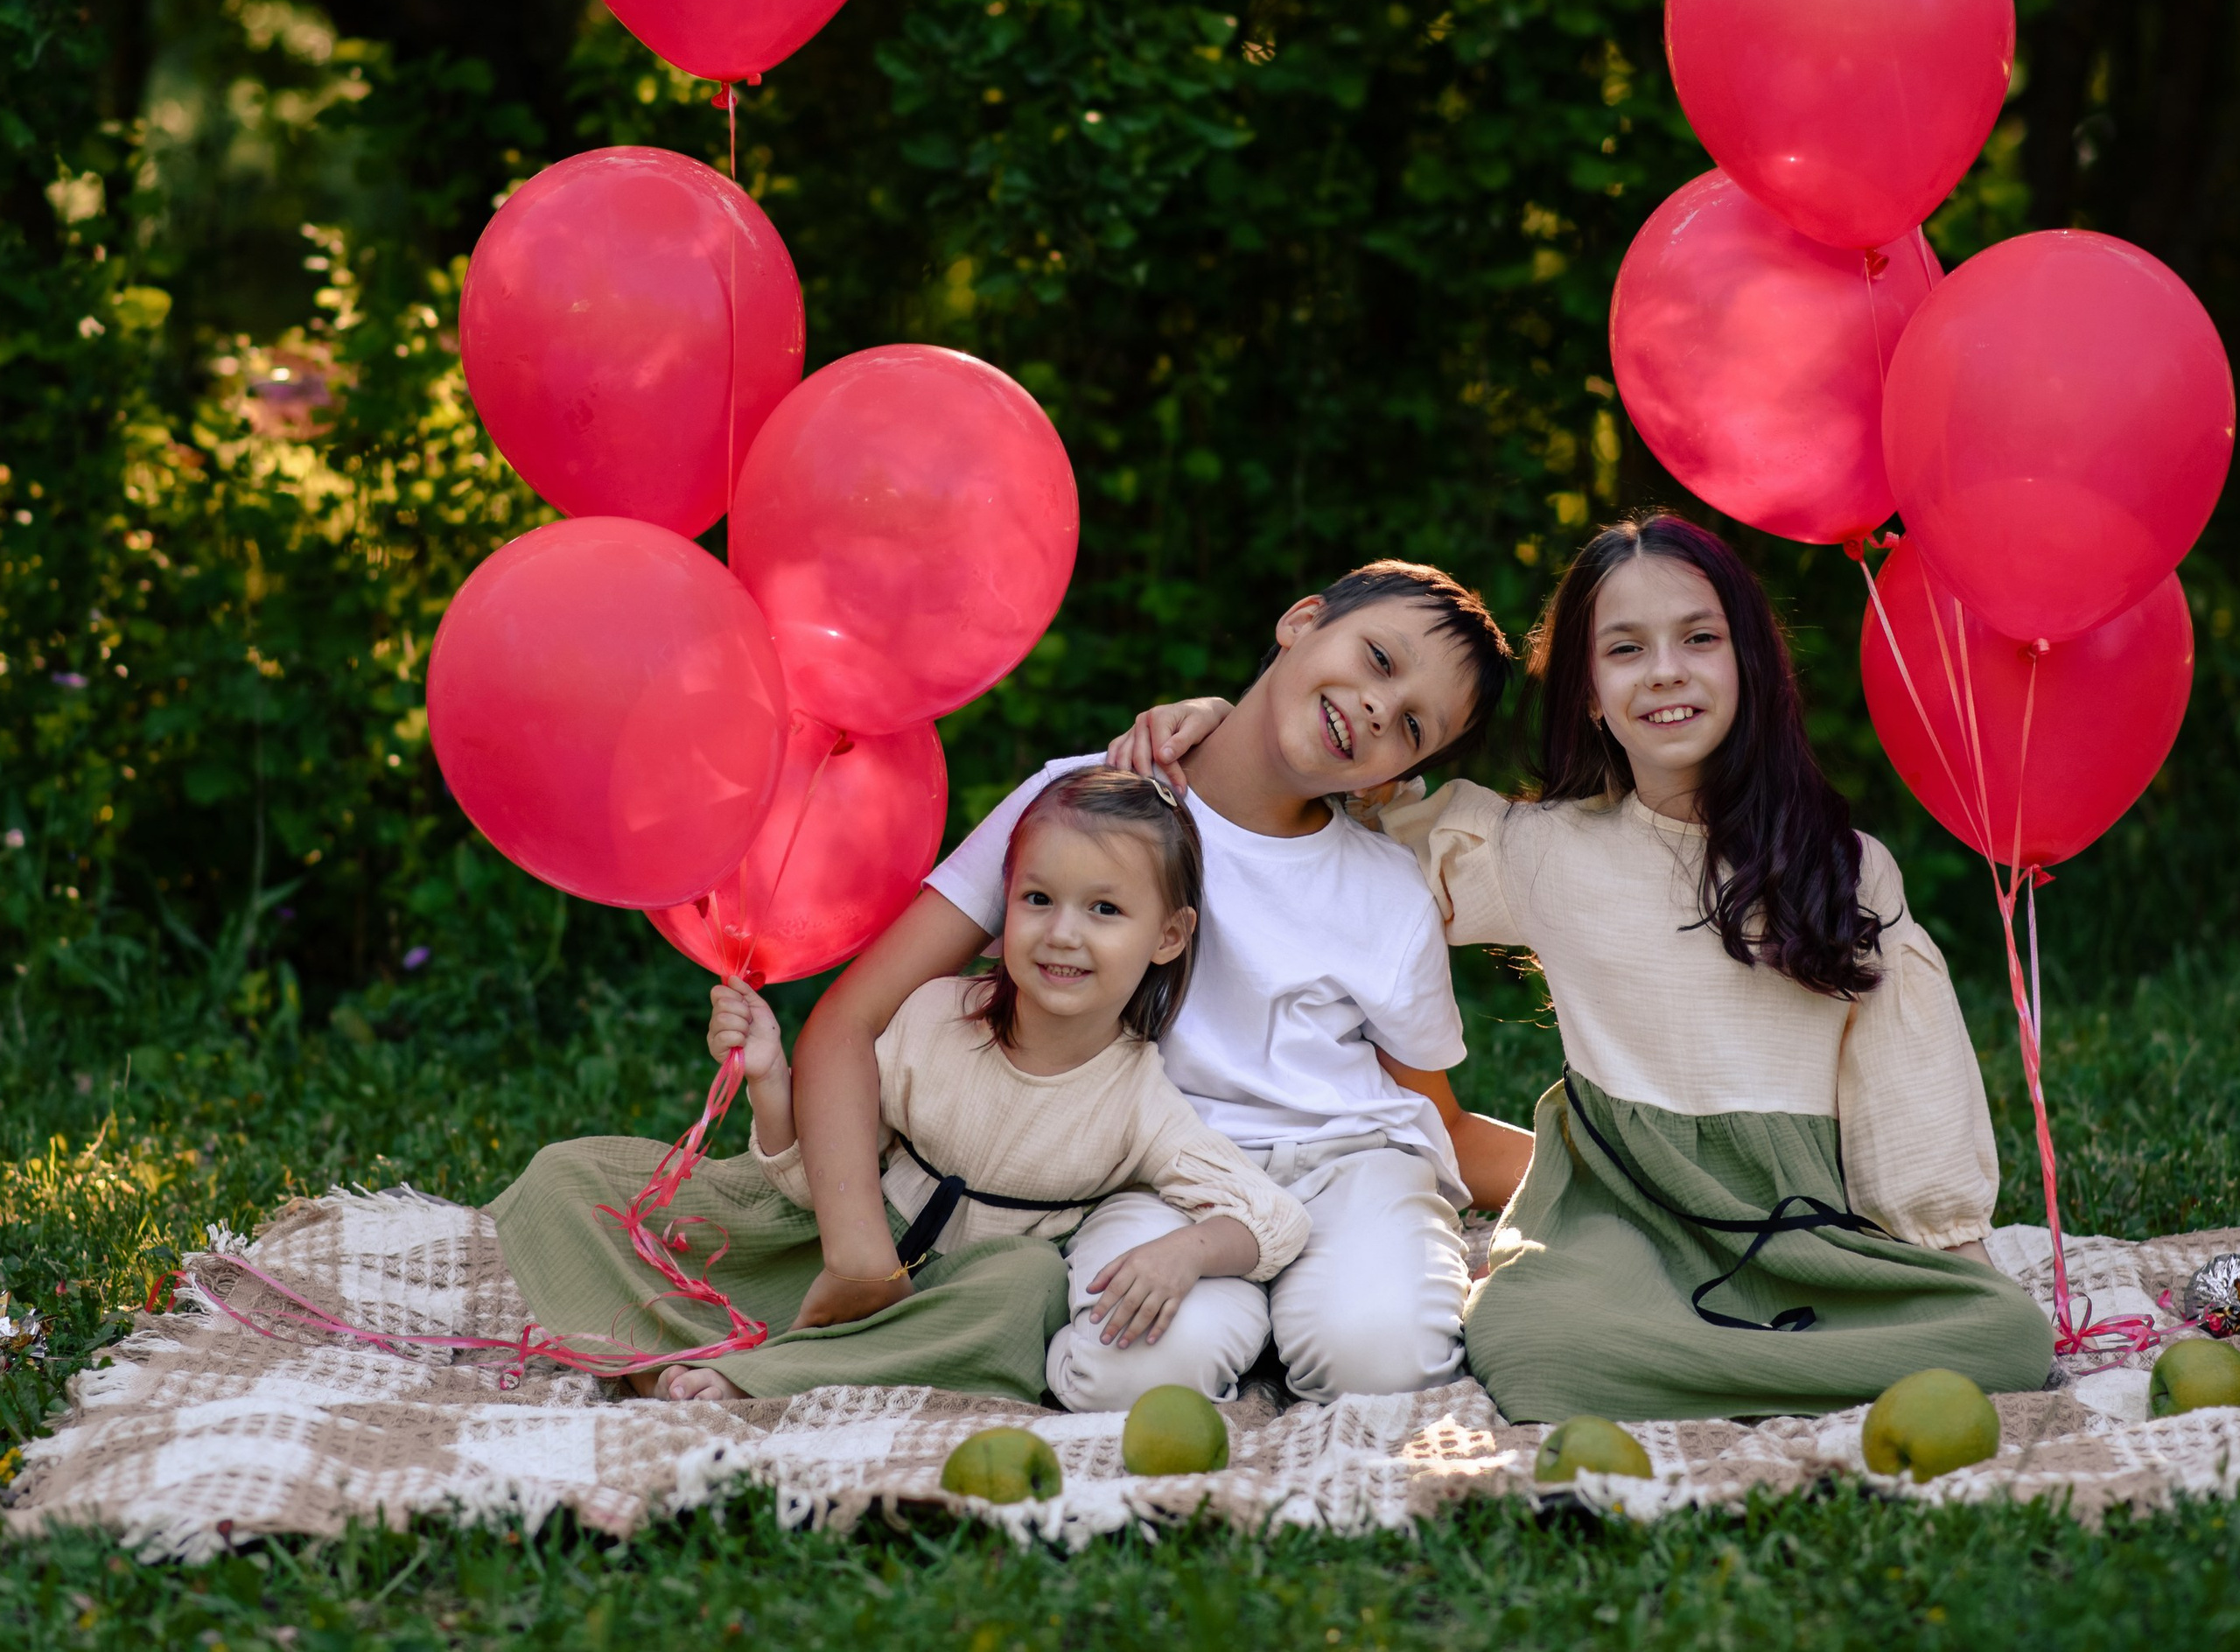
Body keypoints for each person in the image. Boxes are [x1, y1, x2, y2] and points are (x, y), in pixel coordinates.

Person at [1123, 514, 2054, 1421]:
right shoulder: (1540, 850)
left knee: (2006, 1337)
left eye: (1699, 638)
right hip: (1624, 1232)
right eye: (1624, 650)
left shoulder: (1843, 865)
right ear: (1585, 691)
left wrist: (1951, 1249)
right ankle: (1771, 1359)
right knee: (1529, 1346)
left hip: (1801, 1225)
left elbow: (1909, 1083)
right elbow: (1332, 823)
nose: (1665, 673)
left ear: (1751, 663)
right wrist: (1208, 726)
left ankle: (1737, 1354)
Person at [787, 559, 1528, 1409]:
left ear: (1397, 773)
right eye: (1378, 660)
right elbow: (852, 1020)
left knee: (1382, 1360)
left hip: (1347, 1165)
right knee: (1125, 1374)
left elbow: (1435, 1116)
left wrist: (1617, 1175)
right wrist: (858, 1257)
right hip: (1160, 1167)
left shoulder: (1387, 891)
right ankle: (1253, 1325)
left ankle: (1317, 1313)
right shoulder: (1080, 809)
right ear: (1300, 621)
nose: (1374, 706)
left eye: (1409, 725)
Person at [489, 766, 1306, 1404]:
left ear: (1169, 936)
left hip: (943, 1306)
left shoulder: (1138, 1099)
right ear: (1002, 912)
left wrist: (1184, 1253)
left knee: (1026, 1293)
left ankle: (765, 1377)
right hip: (826, 1255)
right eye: (1037, 899)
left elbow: (1271, 1218)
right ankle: (667, 1354)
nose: (1063, 933)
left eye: (1104, 910)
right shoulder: (933, 1018)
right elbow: (814, 1182)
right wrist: (772, 1081)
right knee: (573, 1180)